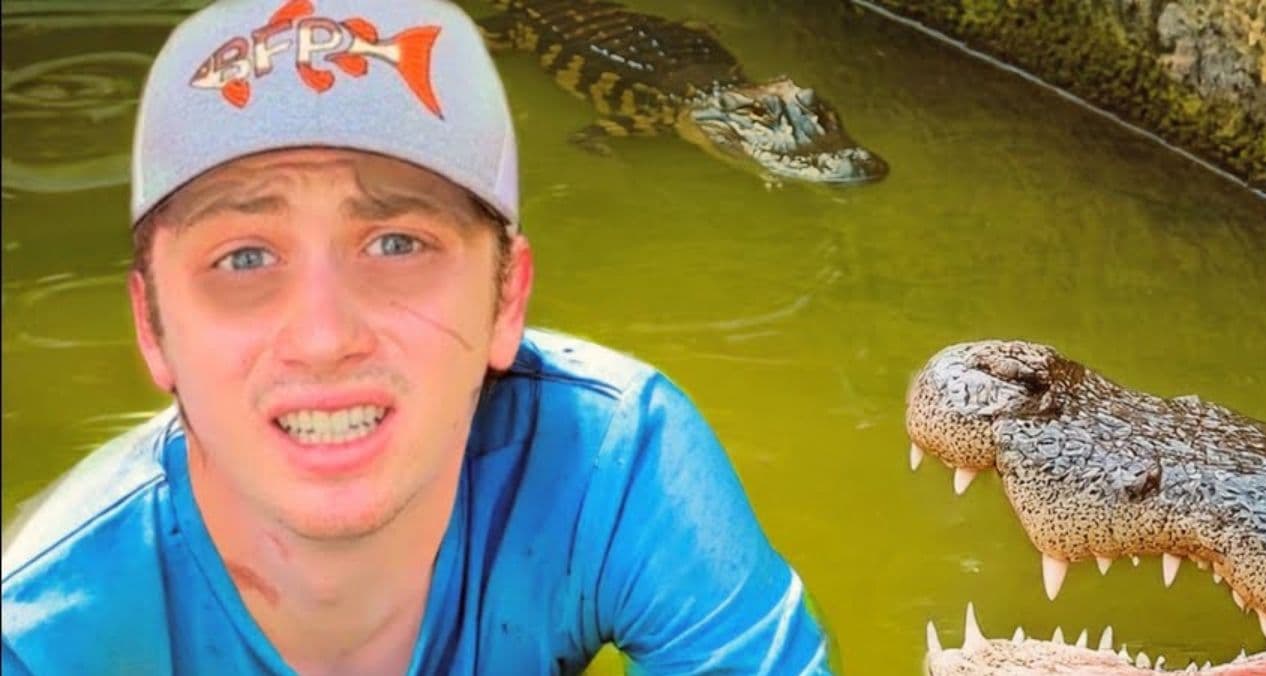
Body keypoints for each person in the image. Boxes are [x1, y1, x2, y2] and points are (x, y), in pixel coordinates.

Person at [0, 0, 833, 673]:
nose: (323, 337)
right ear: (152, 327)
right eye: (243, 257)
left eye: (397, 243)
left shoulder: (616, 462)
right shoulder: (42, 629)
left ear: (507, 299)